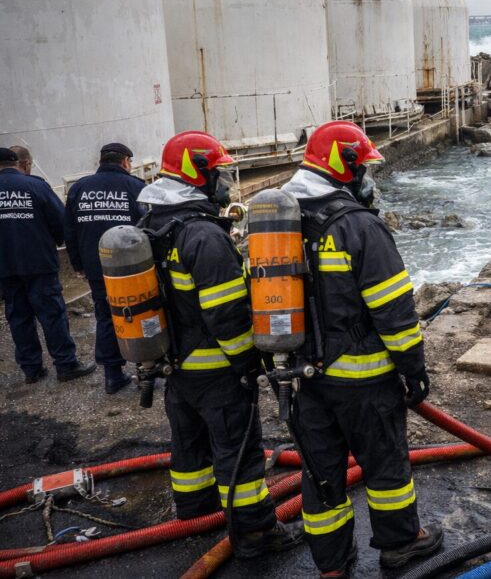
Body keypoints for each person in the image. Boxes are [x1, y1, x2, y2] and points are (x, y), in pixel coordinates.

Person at [281, 121, 442, 576]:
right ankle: (401, 544)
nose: (369, 178)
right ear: (344, 165)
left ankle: (332, 567)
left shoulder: (280, 219)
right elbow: (393, 309)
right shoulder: (359, 226)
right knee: (386, 464)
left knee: (321, 475)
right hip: (364, 380)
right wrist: (414, 369)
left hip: (301, 378)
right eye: (365, 167)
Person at [136, 132, 301, 556]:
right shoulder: (203, 236)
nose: (225, 181)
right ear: (198, 173)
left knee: (189, 446)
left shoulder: (153, 223)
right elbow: (225, 314)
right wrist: (249, 362)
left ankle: (194, 515)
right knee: (239, 451)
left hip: (176, 366)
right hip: (215, 370)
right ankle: (256, 534)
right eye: (218, 172)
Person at [0, 146, 95, 384]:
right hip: (39, 262)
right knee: (52, 314)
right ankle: (65, 364)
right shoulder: (35, 186)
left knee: (18, 316)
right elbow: (60, 221)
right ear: (19, 164)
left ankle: (31, 369)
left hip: (5, 267)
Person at [64, 143, 146, 394]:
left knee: (105, 317)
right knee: (140, 312)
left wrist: (78, 264)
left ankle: (112, 375)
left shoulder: (79, 188)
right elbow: (147, 227)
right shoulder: (136, 187)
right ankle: (145, 371)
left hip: (97, 266)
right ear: (125, 162)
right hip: (133, 268)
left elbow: (70, 230)